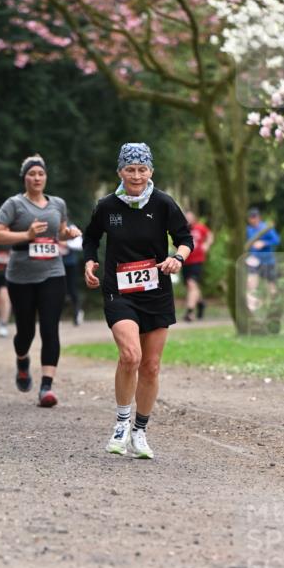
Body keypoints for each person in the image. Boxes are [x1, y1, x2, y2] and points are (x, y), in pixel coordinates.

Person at [83, 142, 193, 459]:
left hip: (156, 290)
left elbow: (185, 239)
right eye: (130, 169)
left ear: (150, 171)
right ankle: (120, 425)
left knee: (151, 366)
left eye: (142, 169)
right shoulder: (107, 206)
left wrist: (178, 259)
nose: (136, 175)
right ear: (120, 171)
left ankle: (140, 431)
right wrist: (90, 262)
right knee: (131, 355)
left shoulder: (163, 204)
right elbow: (91, 236)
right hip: (119, 290)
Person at [0, 154, 81, 407]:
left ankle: (46, 387)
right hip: (21, 275)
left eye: (41, 173)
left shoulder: (57, 203)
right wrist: (26, 234)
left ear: (46, 177)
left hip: (53, 272)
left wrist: (69, 233)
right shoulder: (14, 204)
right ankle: (22, 360)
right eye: (32, 174)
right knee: (26, 331)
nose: (37, 178)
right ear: (25, 177)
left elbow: (60, 232)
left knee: (50, 328)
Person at [245, 206, 280, 311]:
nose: (253, 219)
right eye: (251, 217)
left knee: (271, 285)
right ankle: (252, 307)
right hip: (254, 259)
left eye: (255, 217)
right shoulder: (249, 230)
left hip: (267, 260)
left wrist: (264, 243)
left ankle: (275, 305)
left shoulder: (266, 228)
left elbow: (277, 240)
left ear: (259, 217)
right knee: (251, 283)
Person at [182, 208, 213, 322]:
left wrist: (206, 244)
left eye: (190, 217)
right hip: (185, 261)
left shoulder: (200, 227)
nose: (188, 219)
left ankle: (189, 312)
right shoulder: (182, 229)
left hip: (197, 260)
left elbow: (210, 235)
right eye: (186, 217)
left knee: (192, 284)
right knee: (191, 286)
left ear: (194, 218)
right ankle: (200, 303)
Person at [59, 234, 85, 325]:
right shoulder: (52, 225)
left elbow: (80, 244)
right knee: (58, 291)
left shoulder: (71, 227)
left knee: (72, 290)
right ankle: (57, 316)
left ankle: (77, 313)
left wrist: (65, 244)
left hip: (70, 264)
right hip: (56, 265)